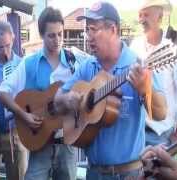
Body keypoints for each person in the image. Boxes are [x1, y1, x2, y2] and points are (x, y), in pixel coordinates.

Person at [53, 1, 167, 179]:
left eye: (93, 29)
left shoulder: (137, 65)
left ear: (113, 29)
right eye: (86, 30)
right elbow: (57, 100)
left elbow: (162, 113)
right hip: (93, 172)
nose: (88, 36)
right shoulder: (87, 66)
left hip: (128, 174)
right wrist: (69, 100)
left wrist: (144, 90)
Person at [0, 7, 85, 180]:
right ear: (42, 35)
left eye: (60, 34)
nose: (57, 40)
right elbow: (2, 92)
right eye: (51, 35)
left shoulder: (75, 63)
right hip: (40, 144)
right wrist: (23, 115)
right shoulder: (29, 64)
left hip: (67, 145)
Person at [130, 0, 177, 147]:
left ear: (160, 17)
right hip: (136, 129)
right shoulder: (135, 45)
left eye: (146, 15)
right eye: (140, 15)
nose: (142, 19)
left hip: (161, 132)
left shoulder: (174, 51)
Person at [0, 21, 28, 180]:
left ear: (14, 39)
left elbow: (28, 98)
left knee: (18, 176)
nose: (5, 51)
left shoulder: (22, 64)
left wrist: (10, 93)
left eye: (8, 45)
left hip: (16, 131)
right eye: (0, 47)